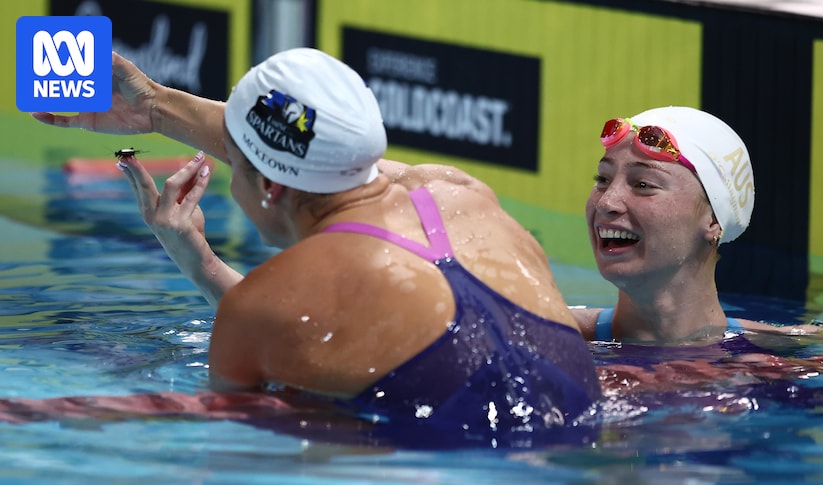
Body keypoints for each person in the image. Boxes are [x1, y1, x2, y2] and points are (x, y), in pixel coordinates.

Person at [31, 49, 600, 446]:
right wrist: (155, 107)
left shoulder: (262, 303)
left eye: (236, 169)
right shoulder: (464, 195)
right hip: (587, 435)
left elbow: (237, 457)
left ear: (269, 187)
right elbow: (318, 161)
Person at [570, 106, 821, 343]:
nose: (606, 202)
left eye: (643, 184)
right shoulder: (554, 336)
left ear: (713, 220)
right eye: (602, 179)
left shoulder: (784, 352)